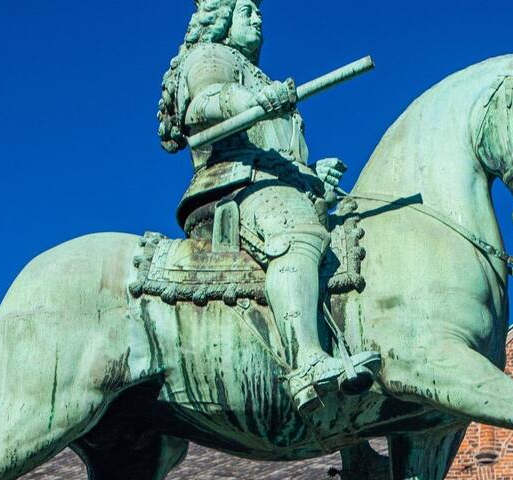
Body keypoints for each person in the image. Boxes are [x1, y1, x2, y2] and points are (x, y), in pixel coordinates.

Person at [154, 0, 378, 413]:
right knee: (300, 238)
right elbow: (202, 105)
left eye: (258, 12)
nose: (257, 17)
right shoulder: (211, 56)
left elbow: (285, 154)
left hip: (279, 186)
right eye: (245, 11)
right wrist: (249, 98)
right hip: (234, 184)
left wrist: (314, 175)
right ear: (221, 21)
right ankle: (306, 360)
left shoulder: (264, 79)